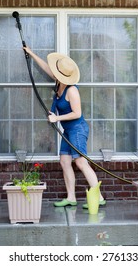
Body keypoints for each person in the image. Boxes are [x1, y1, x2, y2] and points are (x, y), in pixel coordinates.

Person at [23, 46, 106, 208]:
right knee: (64, 161)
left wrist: (56, 118)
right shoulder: (58, 81)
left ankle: (99, 198)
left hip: (77, 129)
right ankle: (71, 198)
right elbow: (45, 68)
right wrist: (31, 53)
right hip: (68, 130)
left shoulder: (72, 90)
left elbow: (77, 113)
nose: (54, 73)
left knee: (81, 163)